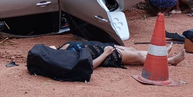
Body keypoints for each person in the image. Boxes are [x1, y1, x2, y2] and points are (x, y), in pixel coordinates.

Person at [50, 41, 185, 69]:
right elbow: (90, 65)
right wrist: (106, 53)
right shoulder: (67, 58)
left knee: (133, 50)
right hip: (107, 55)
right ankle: (170, 61)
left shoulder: (63, 47)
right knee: (138, 56)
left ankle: (162, 54)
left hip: (104, 46)